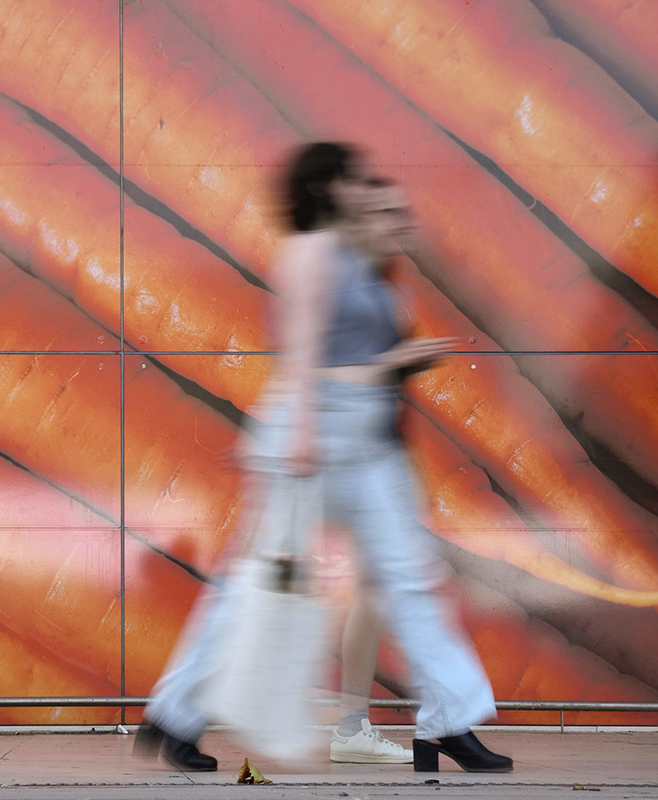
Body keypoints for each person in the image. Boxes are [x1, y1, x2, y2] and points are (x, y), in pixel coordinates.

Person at [135, 143, 512, 775]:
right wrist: (310, 425)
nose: (366, 187)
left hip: (367, 445)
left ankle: (449, 720)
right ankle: (175, 713)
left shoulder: (360, 257)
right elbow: (302, 352)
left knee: (410, 576)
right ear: (328, 188)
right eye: (355, 179)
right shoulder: (310, 252)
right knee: (254, 584)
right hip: (313, 433)